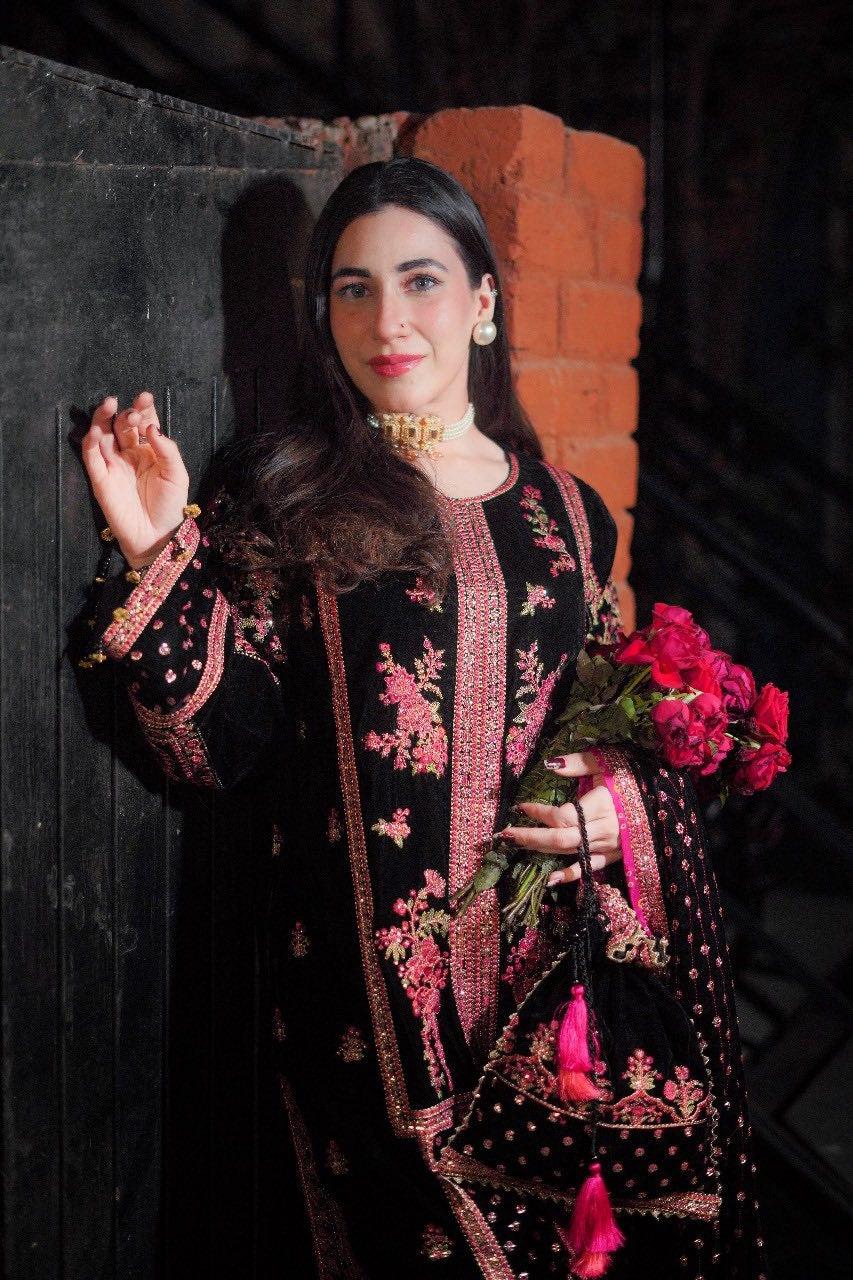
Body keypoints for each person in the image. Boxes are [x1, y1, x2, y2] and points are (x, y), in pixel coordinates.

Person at [80, 157, 767, 1279]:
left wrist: (618, 810)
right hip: (361, 1014)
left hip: (543, 1017)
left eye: (420, 280)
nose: (387, 318)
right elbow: (223, 748)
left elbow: (601, 725)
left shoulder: (566, 515)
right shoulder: (291, 491)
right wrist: (160, 547)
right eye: (352, 288)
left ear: (483, 302)